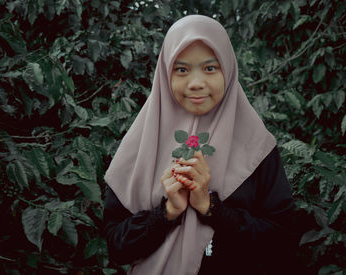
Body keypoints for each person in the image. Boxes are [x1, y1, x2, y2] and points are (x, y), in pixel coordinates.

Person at [104, 15, 299, 274]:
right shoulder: (140, 144)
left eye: (210, 68)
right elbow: (117, 248)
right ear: (165, 73)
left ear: (228, 70)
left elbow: (283, 244)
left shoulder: (257, 146)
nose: (196, 83)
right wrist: (167, 213)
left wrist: (211, 208)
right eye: (182, 69)